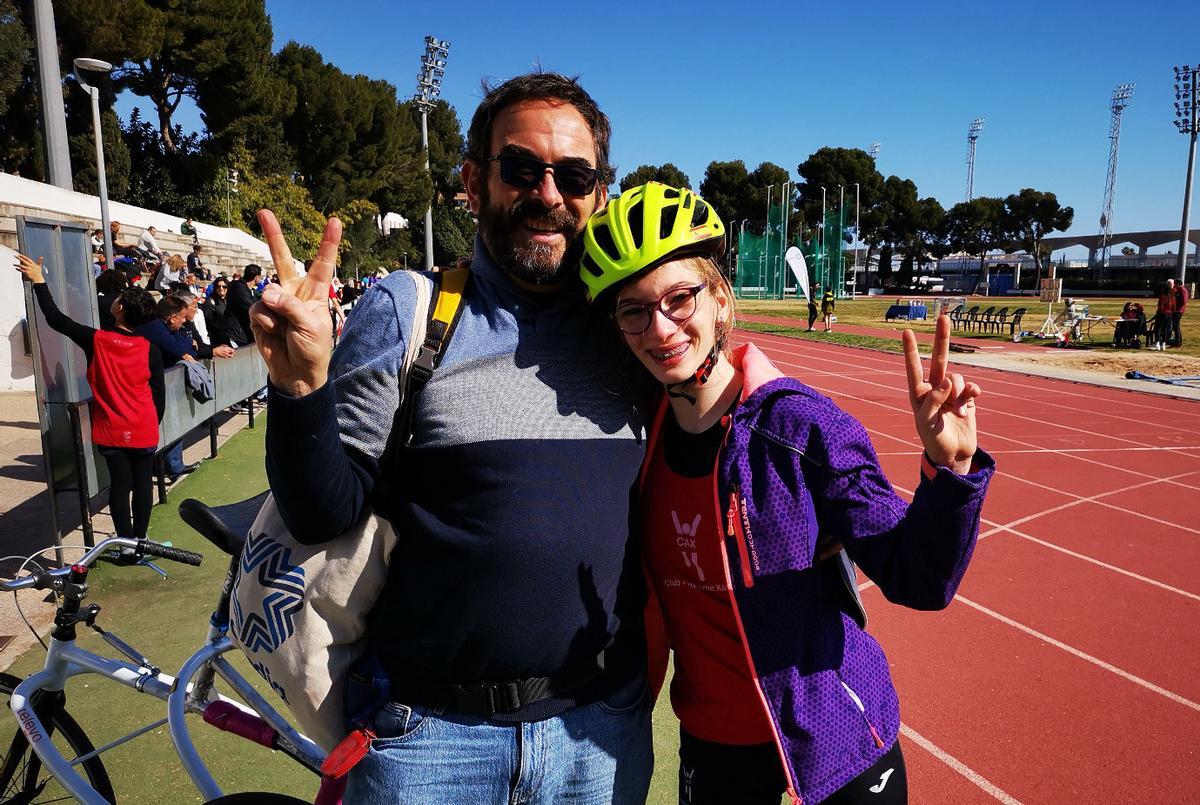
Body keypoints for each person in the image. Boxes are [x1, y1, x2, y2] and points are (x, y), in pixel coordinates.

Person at [251, 72, 652, 803]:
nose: (549, 194)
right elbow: (322, 513)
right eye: (521, 169)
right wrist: (301, 386)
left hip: (599, 735)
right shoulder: (412, 309)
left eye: (575, 175)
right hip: (430, 742)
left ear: (601, 192)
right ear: (474, 180)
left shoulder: (636, 329)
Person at [579, 183, 994, 805]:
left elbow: (918, 579)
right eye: (633, 310)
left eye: (679, 298)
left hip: (836, 731)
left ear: (720, 300)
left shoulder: (800, 428)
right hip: (713, 740)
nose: (659, 328)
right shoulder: (638, 437)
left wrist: (950, 471)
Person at [14, 253, 165, 539]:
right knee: (143, 484)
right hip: (143, 426)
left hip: (111, 429)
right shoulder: (150, 349)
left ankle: (126, 542)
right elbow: (158, 393)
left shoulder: (97, 340)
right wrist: (153, 421)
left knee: (120, 485)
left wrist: (39, 281)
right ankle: (141, 540)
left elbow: (56, 319)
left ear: (119, 308)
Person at [223, 263, 260, 346]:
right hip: (235, 334)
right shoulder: (239, 288)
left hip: (242, 332)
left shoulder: (247, 290)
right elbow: (252, 307)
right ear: (257, 278)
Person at [1153, 281, 1176, 350]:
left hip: (1162, 313)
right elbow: (1174, 307)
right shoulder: (1172, 296)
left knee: (1157, 329)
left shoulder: (1163, 296)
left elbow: (1161, 306)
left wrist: (1158, 313)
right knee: (1165, 329)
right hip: (1169, 314)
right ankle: (1163, 344)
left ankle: (1157, 344)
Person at [1169, 278, 1188, 348]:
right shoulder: (1180, 290)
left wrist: (1177, 308)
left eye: (1175, 284)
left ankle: (1178, 342)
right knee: (1176, 326)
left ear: (1177, 284)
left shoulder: (1181, 290)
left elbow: (1183, 301)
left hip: (1178, 311)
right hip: (1178, 310)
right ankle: (1178, 341)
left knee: (1176, 326)